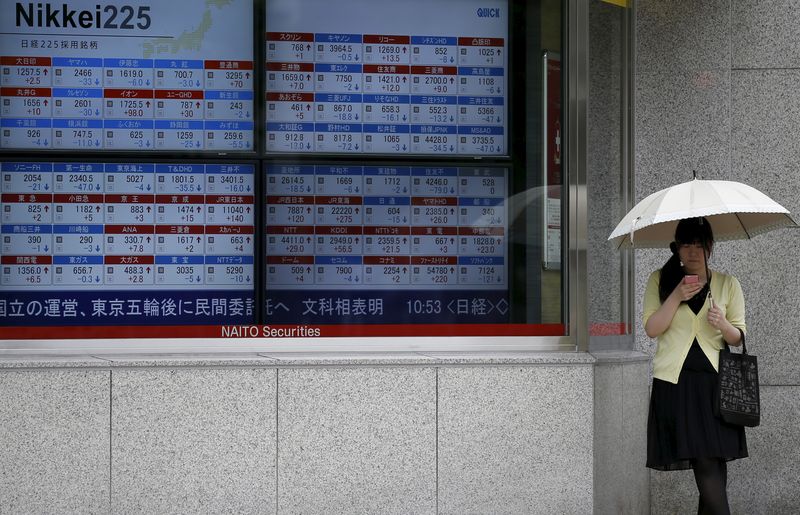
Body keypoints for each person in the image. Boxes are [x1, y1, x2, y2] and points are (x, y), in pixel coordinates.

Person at [643, 217, 748, 515]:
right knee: (707, 466)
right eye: (686, 245)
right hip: (677, 386)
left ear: (710, 247)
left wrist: (723, 324)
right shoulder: (659, 281)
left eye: (699, 245)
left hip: (717, 388)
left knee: (712, 467)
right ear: (676, 248)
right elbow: (653, 328)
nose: (692, 252)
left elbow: (738, 336)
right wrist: (676, 296)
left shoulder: (727, 284)